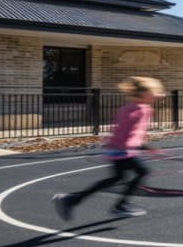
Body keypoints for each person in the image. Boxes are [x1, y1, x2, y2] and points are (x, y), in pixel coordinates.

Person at [52, 76, 164, 219]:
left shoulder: (127, 107)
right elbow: (130, 133)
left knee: (116, 178)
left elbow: (121, 130)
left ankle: (72, 199)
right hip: (123, 150)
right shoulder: (143, 110)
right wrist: (143, 148)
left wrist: (144, 147)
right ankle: (120, 205)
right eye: (153, 92)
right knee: (142, 172)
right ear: (144, 94)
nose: (156, 95)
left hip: (115, 148)